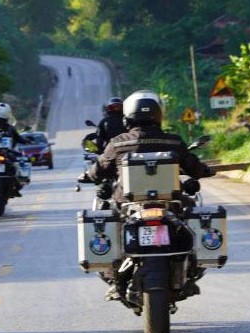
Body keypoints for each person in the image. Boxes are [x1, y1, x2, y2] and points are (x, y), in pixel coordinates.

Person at [79, 90, 215, 301]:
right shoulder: (173, 142)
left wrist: (88, 175)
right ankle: (190, 273)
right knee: (192, 215)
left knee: (107, 224)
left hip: (127, 205)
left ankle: (114, 280)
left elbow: (99, 170)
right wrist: (204, 171)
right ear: (159, 115)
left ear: (127, 117)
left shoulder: (118, 143)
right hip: (170, 204)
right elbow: (194, 167)